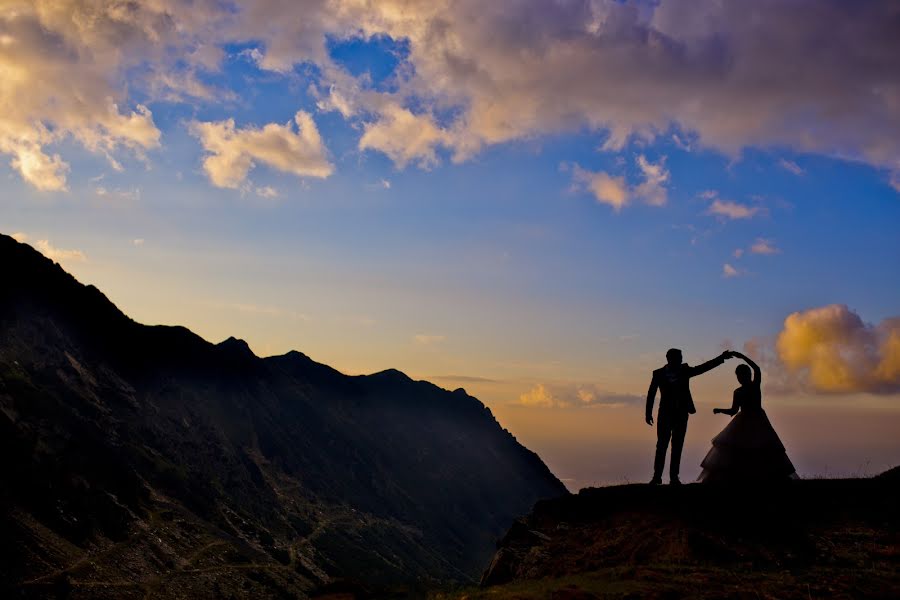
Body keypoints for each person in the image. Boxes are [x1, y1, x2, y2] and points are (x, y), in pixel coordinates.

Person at [698, 351, 798, 483]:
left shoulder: (755, 386)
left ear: (748, 375)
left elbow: (757, 368)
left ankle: (762, 477)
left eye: (742, 375)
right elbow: (733, 410)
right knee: (740, 450)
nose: (740, 378)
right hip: (743, 422)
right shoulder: (738, 391)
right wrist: (720, 410)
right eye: (738, 375)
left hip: (757, 421)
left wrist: (742, 357)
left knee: (760, 448)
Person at [646, 348, 732, 485]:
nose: (681, 360)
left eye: (681, 357)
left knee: (677, 446)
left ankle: (674, 477)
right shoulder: (658, 374)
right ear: (670, 359)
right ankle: (657, 477)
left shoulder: (684, 371)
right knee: (661, 446)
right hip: (665, 415)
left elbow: (703, 368)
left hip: (681, 414)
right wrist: (648, 413)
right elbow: (651, 394)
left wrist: (721, 358)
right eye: (679, 357)